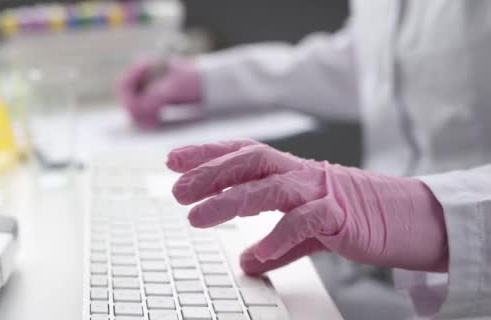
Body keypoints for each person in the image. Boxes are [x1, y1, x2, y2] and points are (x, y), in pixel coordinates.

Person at [119, 1, 491, 319]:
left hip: (468, 289)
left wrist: (429, 215)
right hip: (363, 268)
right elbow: (375, 62)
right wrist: (208, 80)